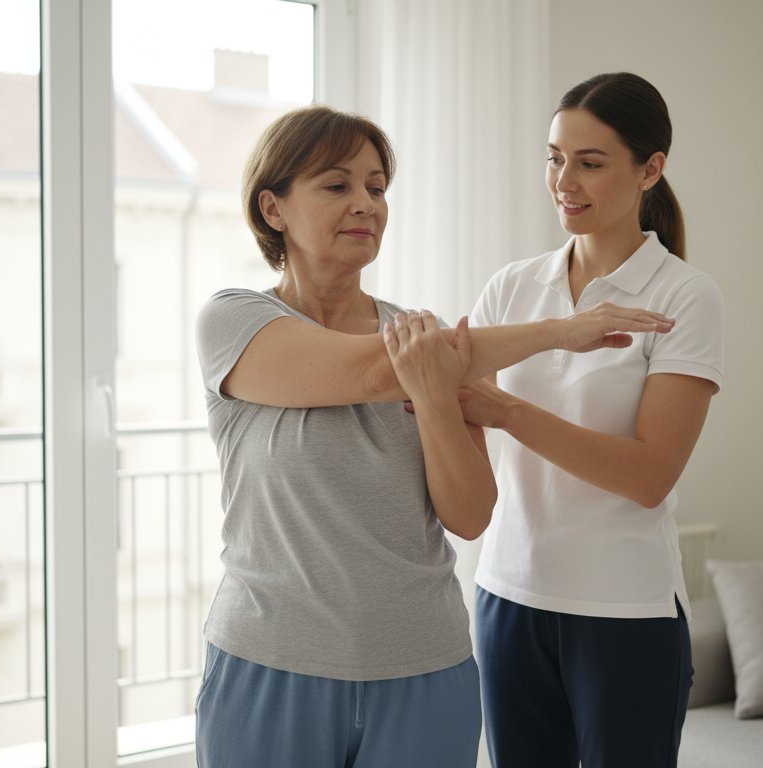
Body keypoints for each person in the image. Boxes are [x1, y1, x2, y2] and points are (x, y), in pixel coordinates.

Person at [193, 104, 676, 768]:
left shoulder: (425, 339)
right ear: (273, 210)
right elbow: (368, 371)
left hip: (425, 671)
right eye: (338, 186)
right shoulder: (236, 321)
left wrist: (440, 387)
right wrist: (564, 329)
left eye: (376, 186)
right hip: (273, 664)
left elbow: (471, 513)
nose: (365, 203)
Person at [463, 72, 725, 767]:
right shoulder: (513, 287)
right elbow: (452, 396)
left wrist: (509, 412)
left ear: (651, 168)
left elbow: (647, 475)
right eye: (554, 157)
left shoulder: (684, 296)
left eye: (590, 162)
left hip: (623, 614)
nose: (564, 181)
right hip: (507, 594)